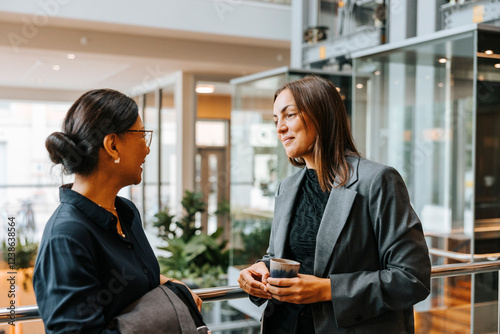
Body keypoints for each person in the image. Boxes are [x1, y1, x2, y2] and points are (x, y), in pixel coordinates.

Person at [237, 76, 431, 333]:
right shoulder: (287, 187)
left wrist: (327, 290)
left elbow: (412, 278)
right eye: (276, 120)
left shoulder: (377, 181)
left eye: (290, 115)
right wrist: (259, 271)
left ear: (322, 115)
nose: (280, 128)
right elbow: (282, 257)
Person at [33, 89, 203, 333]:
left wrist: (170, 285)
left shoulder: (126, 212)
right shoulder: (67, 237)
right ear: (112, 145)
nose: (147, 149)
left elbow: (130, 285)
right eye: (142, 136)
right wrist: (169, 306)